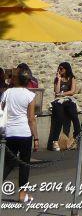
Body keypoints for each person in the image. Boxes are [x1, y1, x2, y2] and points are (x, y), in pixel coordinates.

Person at [1, 68, 38, 203]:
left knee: (7, 164)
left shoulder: (7, 93)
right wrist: (36, 138)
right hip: (25, 133)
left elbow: (2, 110)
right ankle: (23, 194)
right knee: (24, 164)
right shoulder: (30, 96)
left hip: (10, 132)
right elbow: (31, 119)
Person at [47, 62, 81, 151]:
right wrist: (58, 79)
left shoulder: (72, 78)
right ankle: (55, 140)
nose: (59, 70)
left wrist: (62, 94)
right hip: (59, 101)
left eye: (61, 69)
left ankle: (77, 134)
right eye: (59, 68)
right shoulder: (57, 79)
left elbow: (72, 91)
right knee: (59, 116)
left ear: (66, 69)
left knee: (74, 114)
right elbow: (56, 91)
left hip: (68, 99)